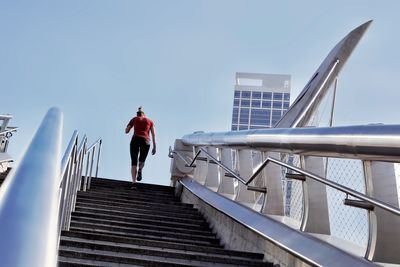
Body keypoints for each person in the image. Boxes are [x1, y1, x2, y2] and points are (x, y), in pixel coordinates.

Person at [125, 106, 156, 188]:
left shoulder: (134, 119)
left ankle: (134, 182)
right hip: (146, 141)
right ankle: (140, 169)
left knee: (134, 161)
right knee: (142, 159)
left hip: (135, 139)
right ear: (144, 115)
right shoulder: (150, 121)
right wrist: (154, 146)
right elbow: (153, 135)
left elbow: (126, 131)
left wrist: (130, 126)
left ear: (137, 114)